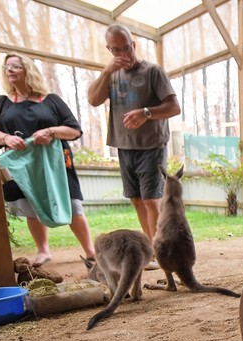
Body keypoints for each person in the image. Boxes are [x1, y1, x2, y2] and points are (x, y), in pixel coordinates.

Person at [88, 24, 181, 270]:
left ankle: (163, 250)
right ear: (109, 49)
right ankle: (151, 250)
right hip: (124, 146)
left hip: (151, 145)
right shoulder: (112, 75)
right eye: (117, 50)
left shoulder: (153, 72)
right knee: (137, 200)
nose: (124, 55)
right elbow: (93, 100)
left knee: (152, 200)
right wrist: (106, 72)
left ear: (134, 45)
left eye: (127, 48)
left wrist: (147, 112)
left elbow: (174, 107)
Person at [0, 53, 97, 265]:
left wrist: (50, 131)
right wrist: (6, 138)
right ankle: (43, 250)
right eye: (7, 67)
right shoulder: (2, 103)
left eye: (15, 66)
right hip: (23, 165)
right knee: (32, 203)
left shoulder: (51, 101)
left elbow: (74, 130)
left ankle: (91, 251)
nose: (10, 70)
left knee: (71, 203)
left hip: (55, 162)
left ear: (28, 71)